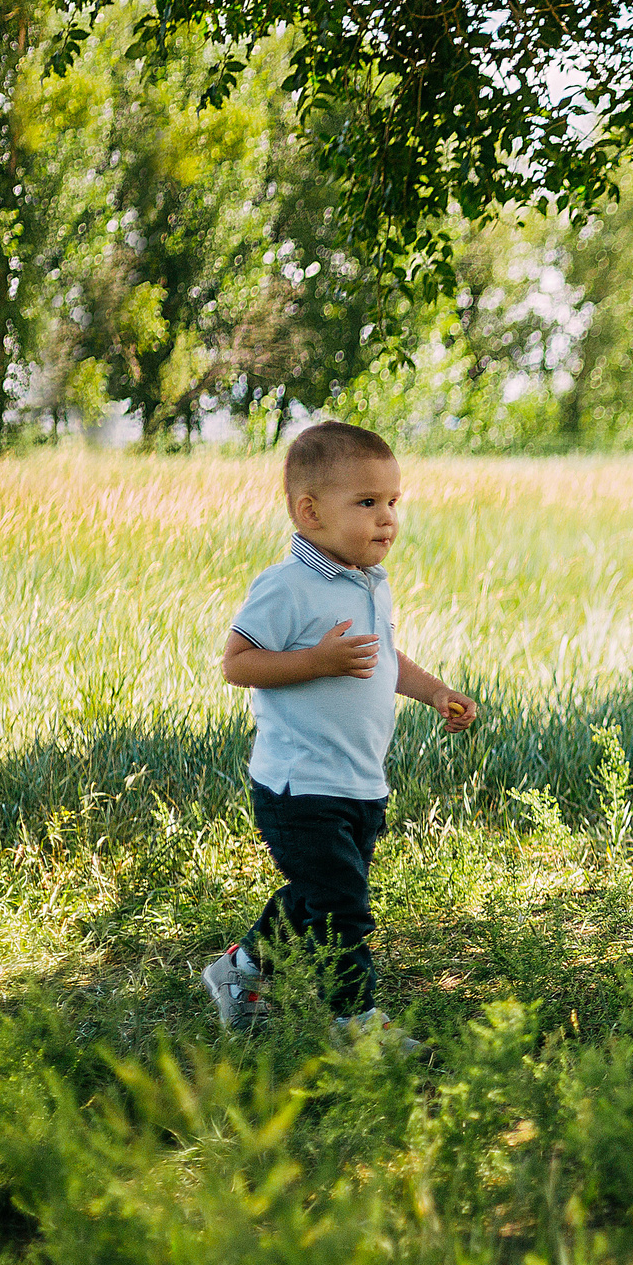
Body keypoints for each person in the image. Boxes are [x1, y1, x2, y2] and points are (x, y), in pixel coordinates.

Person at [201, 422, 478, 1036]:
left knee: (318, 895)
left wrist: (434, 692)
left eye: (392, 503)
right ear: (310, 511)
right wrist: (316, 662)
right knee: (344, 908)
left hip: (358, 782)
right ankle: (355, 1024)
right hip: (301, 786)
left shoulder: (369, 583)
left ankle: (240, 967)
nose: (387, 519)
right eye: (366, 503)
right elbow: (237, 664)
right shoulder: (287, 586)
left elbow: (384, 658)